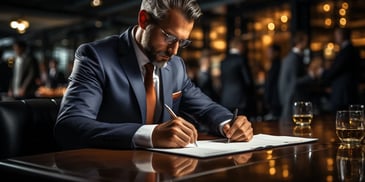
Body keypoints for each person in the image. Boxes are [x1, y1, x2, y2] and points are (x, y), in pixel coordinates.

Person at [55, 0, 253, 150]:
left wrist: (229, 123)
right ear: (143, 20)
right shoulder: (96, 57)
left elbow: (206, 108)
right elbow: (70, 125)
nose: (174, 51)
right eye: (168, 37)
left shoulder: (176, 66)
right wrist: (150, 135)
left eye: (182, 42)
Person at [278, 32, 318, 121]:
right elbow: (294, 82)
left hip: (291, 100)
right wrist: (311, 76)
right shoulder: (293, 58)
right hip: (293, 101)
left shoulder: (292, 57)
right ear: (302, 42)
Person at [320, 27, 361, 112]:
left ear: (342, 35)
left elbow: (336, 70)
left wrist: (322, 72)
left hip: (344, 93)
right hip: (346, 91)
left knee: (341, 118)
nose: (335, 37)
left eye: (336, 35)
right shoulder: (349, 49)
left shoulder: (347, 50)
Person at [219, 37, 257, 119]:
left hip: (226, 99)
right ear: (239, 45)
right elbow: (248, 81)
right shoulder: (241, 59)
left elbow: (222, 80)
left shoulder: (223, 61)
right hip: (240, 100)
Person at [263, 44, 282, 120]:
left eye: (270, 52)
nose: (268, 54)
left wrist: (267, 99)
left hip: (276, 100)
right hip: (274, 100)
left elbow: (270, 83)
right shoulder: (273, 64)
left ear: (276, 53)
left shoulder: (277, 65)